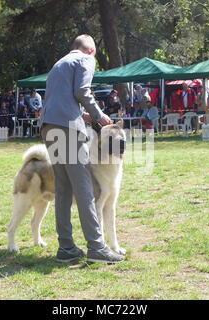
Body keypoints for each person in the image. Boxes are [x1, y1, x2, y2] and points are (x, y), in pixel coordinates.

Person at [41, 34, 124, 264]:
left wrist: (84, 115)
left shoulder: (58, 64)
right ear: (91, 51)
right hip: (67, 129)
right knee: (84, 187)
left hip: (49, 126)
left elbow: (62, 99)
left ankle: (66, 247)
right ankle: (96, 247)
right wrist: (99, 115)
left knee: (63, 189)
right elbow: (82, 91)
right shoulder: (85, 60)